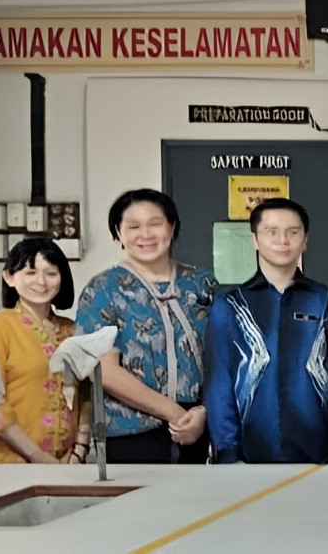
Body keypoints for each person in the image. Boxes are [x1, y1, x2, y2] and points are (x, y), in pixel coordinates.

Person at [203, 198, 328, 464]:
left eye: (292, 232)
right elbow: (219, 385)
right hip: (249, 454)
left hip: (318, 453)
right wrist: (228, 452)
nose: (283, 240)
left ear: (305, 240)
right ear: (255, 240)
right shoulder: (230, 306)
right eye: (272, 232)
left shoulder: (326, 299)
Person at [77, 189, 217, 464]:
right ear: (118, 232)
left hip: (198, 423)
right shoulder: (103, 288)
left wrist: (205, 411)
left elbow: (224, 354)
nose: (146, 234)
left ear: (172, 227)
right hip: (132, 431)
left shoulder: (202, 282)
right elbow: (104, 370)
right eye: (133, 226)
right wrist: (174, 413)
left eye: (155, 223)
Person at [0, 239, 88, 464]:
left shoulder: (73, 330)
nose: (41, 282)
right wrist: (37, 457)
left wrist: (80, 450)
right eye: (30, 272)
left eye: (51, 273)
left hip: (68, 464)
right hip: (9, 464)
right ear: (9, 277)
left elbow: (87, 396)